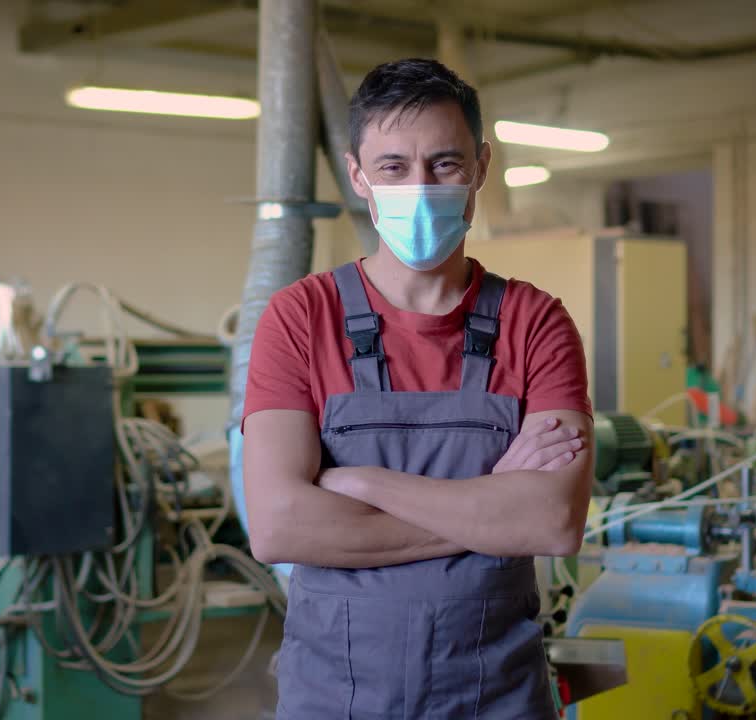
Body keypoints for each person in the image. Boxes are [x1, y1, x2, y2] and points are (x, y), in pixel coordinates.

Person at [242, 57, 593, 719]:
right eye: (394, 167)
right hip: (336, 701)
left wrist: (363, 484)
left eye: (445, 164)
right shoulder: (300, 317)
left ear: (481, 167)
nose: (420, 186)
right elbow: (279, 526)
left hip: (497, 699)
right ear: (357, 174)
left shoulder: (535, 322)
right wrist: (490, 513)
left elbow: (552, 520)